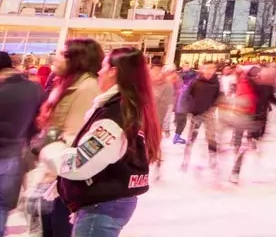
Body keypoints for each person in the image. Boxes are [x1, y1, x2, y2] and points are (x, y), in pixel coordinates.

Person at [40, 47, 161, 237]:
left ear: (114, 71)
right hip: (106, 203)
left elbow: (79, 164)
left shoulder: (114, 117)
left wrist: (52, 150)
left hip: (102, 207)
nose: (99, 71)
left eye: (103, 66)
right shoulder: (122, 108)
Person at [30, 38, 104, 237]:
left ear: (78, 59)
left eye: (62, 54)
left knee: (57, 230)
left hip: (62, 180)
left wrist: (47, 150)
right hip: (52, 173)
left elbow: (75, 139)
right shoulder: (66, 84)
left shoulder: (87, 88)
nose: (55, 56)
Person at [0, 51, 42, 231]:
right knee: (2, 205)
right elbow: (41, 120)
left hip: (11, 152)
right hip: (15, 153)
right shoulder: (33, 89)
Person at [180, 62, 221, 171]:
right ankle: (186, 158)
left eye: (211, 69)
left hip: (209, 113)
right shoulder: (195, 82)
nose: (208, 71)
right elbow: (187, 95)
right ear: (203, 70)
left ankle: (213, 157)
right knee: (191, 137)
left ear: (214, 70)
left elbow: (218, 97)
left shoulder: (216, 83)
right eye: (207, 68)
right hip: (196, 113)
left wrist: (213, 107)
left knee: (211, 136)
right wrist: (189, 109)